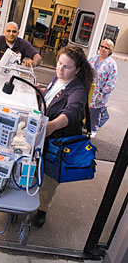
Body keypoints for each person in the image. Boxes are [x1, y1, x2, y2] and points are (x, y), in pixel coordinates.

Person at [33, 44, 94, 227]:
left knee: (50, 177)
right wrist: (41, 91)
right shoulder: (58, 77)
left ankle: (42, 210)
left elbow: (73, 111)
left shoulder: (79, 90)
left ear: (77, 70)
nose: (60, 69)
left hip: (58, 140)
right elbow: (54, 94)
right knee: (37, 167)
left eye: (67, 67)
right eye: (59, 63)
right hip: (45, 134)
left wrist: (52, 126)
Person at [89, 39, 118, 137]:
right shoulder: (93, 59)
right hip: (89, 91)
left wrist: (102, 93)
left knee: (95, 113)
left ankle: (93, 129)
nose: (103, 49)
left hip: (100, 94)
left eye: (106, 48)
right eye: (102, 46)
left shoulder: (112, 64)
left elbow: (111, 83)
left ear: (110, 51)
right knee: (86, 110)